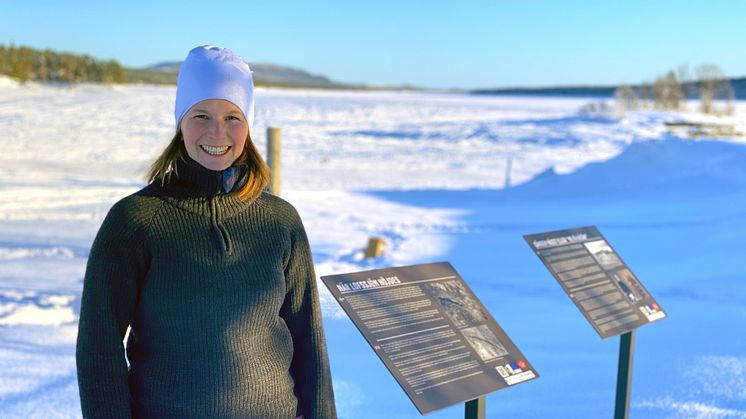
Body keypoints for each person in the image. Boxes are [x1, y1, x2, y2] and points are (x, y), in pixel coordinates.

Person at [76, 45, 337, 419]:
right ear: (180, 122)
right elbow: (98, 350)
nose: (218, 132)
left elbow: (310, 341)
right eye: (201, 115)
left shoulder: (280, 220)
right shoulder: (135, 220)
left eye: (233, 117)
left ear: (248, 124)